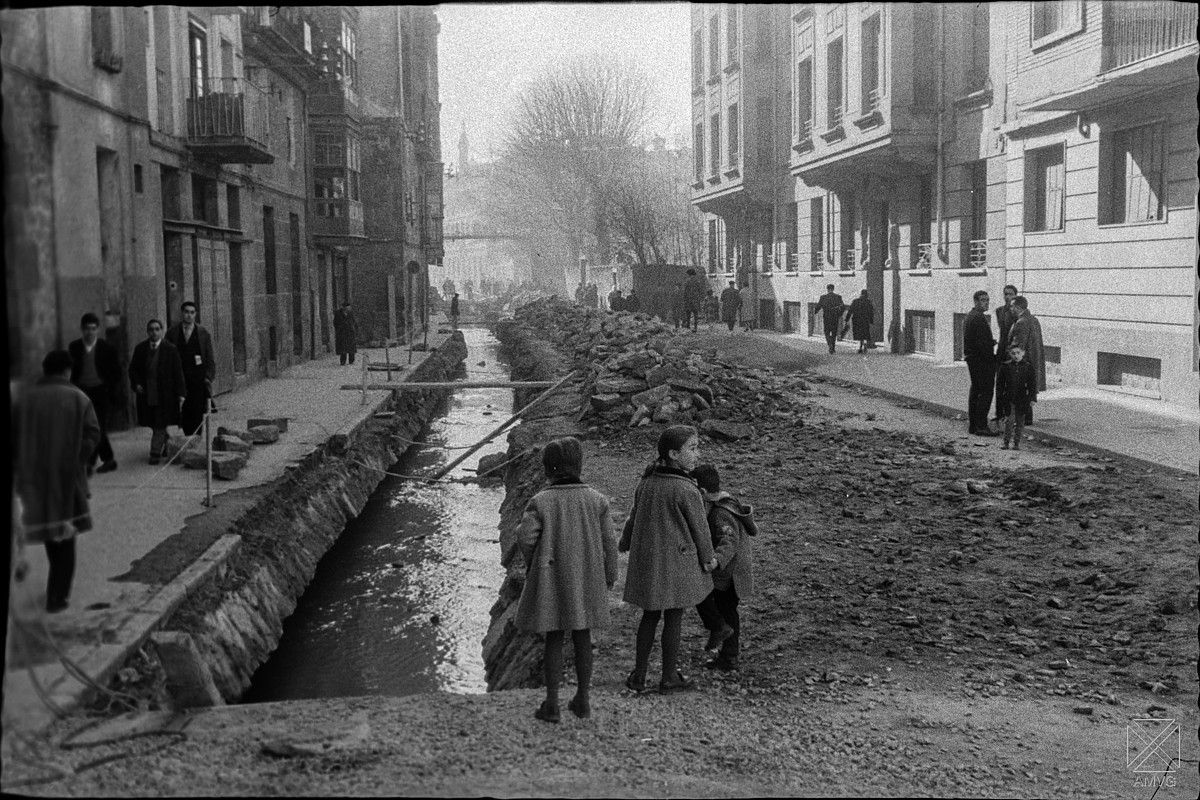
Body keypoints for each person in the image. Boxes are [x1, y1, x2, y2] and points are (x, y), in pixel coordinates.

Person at [516, 437, 618, 723]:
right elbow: (609, 542)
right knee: (583, 636)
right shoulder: (597, 500)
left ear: (548, 470)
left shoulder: (541, 501)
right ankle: (583, 700)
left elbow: (525, 538)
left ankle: (551, 703)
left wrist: (533, 564)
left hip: (552, 576)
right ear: (579, 465)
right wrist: (609, 575)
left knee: (554, 636)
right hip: (587, 577)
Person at [618, 425, 717, 694]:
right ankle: (669, 675)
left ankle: (638, 675)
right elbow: (701, 529)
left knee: (649, 616)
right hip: (677, 564)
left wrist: (625, 542)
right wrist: (708, 559)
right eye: (693, 448)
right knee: (674, 617)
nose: (698, 454)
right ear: (674, 454)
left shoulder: (646, 482)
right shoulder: (686, 490)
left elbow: (633, 515)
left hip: (650, 563)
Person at [12, 350, 102, 613]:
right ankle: (58, 596)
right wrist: (79, 459)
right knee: (67, 536)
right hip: (67, 479)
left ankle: (55, 590)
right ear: (67, 371)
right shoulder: (79, 398)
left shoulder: (25, 400)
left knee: (53, 533)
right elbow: (92, 433)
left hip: (36, 480)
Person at [691, 464, 757, 672]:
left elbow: (729, 540)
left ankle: (728, 653)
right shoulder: (723, 505)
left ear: (702, 492)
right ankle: (725, 646)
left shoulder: (720, 513)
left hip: (730, 576)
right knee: (725, 610)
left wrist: (716, 560)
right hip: (729, 573)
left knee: (725, 611)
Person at [68, 312, 122, 474]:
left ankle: (91, 462)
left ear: (98, 330)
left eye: (93, 328)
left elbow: (116, 372)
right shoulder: (75, 347)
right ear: (82, 330)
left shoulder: (107, 348)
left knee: (97, 427)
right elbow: (71, 371)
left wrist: (109, 389)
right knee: (85, 427)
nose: (90, 332)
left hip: (100, 392)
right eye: (87, 329)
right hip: (82, 391)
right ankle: (103, 460)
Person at [129, 319, 187, 464]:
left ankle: (154, 453)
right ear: (147, 332)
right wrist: (136, 384)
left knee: (160, 423)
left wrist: (181, 393)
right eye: (151, 329)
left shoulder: (170, 349)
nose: (154, 332)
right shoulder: (140, 349)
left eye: (157, 329)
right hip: (147, 394)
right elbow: (133, 369)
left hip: (165, 394)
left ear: (161, 331)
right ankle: (168, 442)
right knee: (153, 422)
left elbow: (178, 372)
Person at [165, 301, 216, 436]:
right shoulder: (172, 333)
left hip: (197, 380)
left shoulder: (203, 333)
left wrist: (208, 377)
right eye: (186, 312)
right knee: (182, 410)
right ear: (182, 313)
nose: (189, 315)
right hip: (179, 379)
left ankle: (197, 440)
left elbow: (209, 357)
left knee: (197, 411)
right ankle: (184, 439)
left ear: (195, 314)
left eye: (192, 312)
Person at [1006, 296, 1046, 425]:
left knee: (1020, 390)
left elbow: (1018, 345)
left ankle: (1024, 419)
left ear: (1018, 307)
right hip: (1032, 361)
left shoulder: (1021, 322)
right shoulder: (1034, 320)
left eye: (1012, 306)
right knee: (1027, 389)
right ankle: (1027, 418)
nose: (1010, 308)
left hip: (1024, 362)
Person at [964, 289, 998, 436]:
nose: (986, 303)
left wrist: (990, 342)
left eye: (987, 300)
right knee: (985, 392)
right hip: (981, 361)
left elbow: (978, 339)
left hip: (974, 359)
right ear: (976, 301)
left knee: (976, 392)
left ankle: (973, 425)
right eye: (983, 300)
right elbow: (981, 344)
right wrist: (993, 359)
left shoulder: (971, 316)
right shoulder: (977, 318)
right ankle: (981, 426)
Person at [996, 343, 1037, 450]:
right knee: (1009, 421)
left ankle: (1016, 443)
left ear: (1023, 353)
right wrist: (1000, 397)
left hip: (1022, 399)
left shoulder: (1028, 367)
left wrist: (1033, 398)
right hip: (1009, 398)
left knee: (1020, 422)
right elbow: (1000, 385)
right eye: (1013, 353)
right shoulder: (1005, 367)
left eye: (1018, 353)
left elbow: (1032, 384)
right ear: (1009, 354)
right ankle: (1006, 442)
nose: (1016, 355)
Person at [992, 285, 1019, 425]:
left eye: (1011, 294)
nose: (1008, 297)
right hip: (1002, 350)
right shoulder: (999, 311)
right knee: (1000, 383)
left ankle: (1011, 414)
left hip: (1013, 352)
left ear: (1016, 295)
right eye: (1006, 294)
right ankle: (999, 413)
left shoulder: (1018, 312)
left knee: (1013, 384)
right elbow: (1003, 332)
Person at [815, 284, 846, 354]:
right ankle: (833, 347)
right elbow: (843, 307)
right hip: (835, 318)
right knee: (834, 333)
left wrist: (815, 312)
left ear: (827, 289)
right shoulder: (838, 297)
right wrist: (839, 314)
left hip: (827, 318)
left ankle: (830, 346)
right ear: (833, 289)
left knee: (827, 332)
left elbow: (818, 306)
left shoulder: (823, 297)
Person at [334, 301, 358, 365]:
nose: (348, 309)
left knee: (351, 348)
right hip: (342, 333)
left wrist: (353, 328)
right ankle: (343, 361)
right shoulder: (338, 313)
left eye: (349, 308)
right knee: (343, 348)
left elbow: (354, 321)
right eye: (347, 308)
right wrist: (339, 329)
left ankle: (351, 361)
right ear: (343, 308)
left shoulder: (351, 313)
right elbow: (335, 323)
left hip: (350, 332)